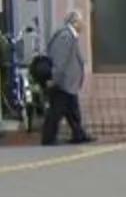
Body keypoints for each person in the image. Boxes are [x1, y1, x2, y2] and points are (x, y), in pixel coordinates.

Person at [37, 10, 92, 146]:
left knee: (72, 110)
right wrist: (54, 78)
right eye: (81, 21)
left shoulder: (70, 37)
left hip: (68, 82)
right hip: (63, 81)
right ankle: (48, 138)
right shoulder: (65, 37)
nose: (83, 24)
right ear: (74, 23)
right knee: (56, 111)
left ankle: (79, 134)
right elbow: (60, 60)